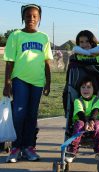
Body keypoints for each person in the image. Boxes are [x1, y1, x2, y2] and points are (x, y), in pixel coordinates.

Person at [3, 4, 53, 163]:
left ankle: (29, 147)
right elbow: (9, 62)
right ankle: (16, 148)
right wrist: (7, 83)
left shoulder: (43, 37)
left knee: (32, 115)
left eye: (34, 16)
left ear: (39, 19)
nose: (31, 19)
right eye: (28, 16)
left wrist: (48, 82)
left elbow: (46, 62)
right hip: (20, 80)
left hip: (37, 82)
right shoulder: (15, 36)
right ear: (23, 17)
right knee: (19, 114)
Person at [64, 77, 99, 163]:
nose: (85, 89)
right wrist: (86, 122)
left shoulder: (96, 100)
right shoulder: (77, 100)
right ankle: (72, 151)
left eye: (88, 87)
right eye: (83, 87)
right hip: (81, 122)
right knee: (79, 124)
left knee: (98, 125)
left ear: (94, 89)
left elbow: (95, 111)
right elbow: (80, 113)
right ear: (79, 89)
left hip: (93, 122)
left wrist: (91, 121)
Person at [62, 30, 99, 113]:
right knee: (67, 93)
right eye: (81, 42)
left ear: (92, 42)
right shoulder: (75, 57)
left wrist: (89, 54)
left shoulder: (98, 56)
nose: (84, 44)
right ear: (78, 43)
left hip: (95, 89)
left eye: (87, 41)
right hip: (78, 88)